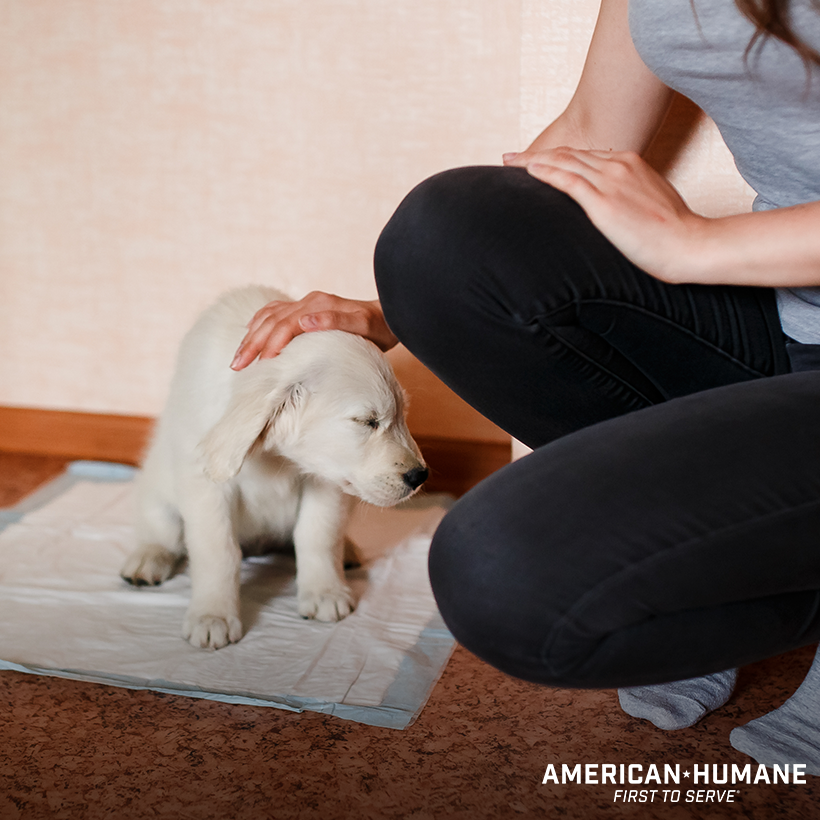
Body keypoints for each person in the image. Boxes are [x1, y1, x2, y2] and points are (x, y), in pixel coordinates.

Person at [232, 0, 820, 770]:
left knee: (501, 576)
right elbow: (586, 137)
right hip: (789, 332)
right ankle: (710, 566)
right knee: (440, 238)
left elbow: (683, 246)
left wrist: (693, 245)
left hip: (735, 274)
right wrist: (395, 312)